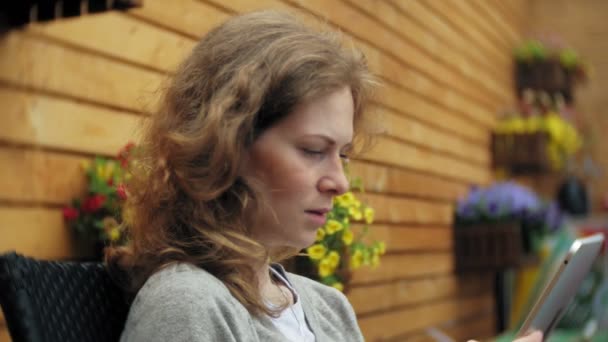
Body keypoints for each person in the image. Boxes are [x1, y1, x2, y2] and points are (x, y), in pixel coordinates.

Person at [107, 10, 542, 342]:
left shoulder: (327, 306)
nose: (340, 182)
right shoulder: (187, 306)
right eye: (314, 151)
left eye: (344, 155)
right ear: (227, 147)